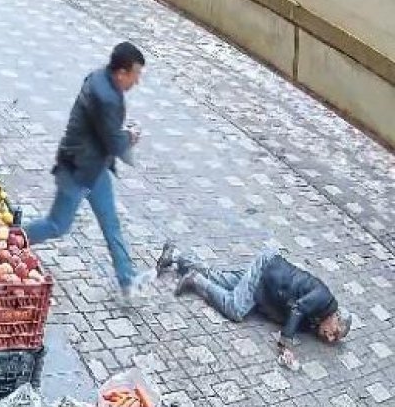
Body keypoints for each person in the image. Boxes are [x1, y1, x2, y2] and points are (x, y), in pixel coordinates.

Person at [24, 42, 151, 297]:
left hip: (94, 168)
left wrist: (119, 133)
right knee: (57, 225)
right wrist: (130, 137)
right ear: (121, 73)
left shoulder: (98, 77)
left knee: (111, 223)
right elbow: (114, 143)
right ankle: (11, 239)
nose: (137, 82)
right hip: (77, 169)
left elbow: (104, 131)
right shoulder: (108, 98)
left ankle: (127, 280)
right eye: (135, 74)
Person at [158, 242, 351, 347]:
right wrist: (286, 341)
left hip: (265, 285)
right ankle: (195, 279)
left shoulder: (318, 319)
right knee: (235, 309)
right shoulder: (325, 299)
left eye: (335, 338)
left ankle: (174, 255)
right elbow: (297, 308)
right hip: (266, 272)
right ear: (336, 318)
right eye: (335, 332)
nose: (331, 338)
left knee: (220, 280)